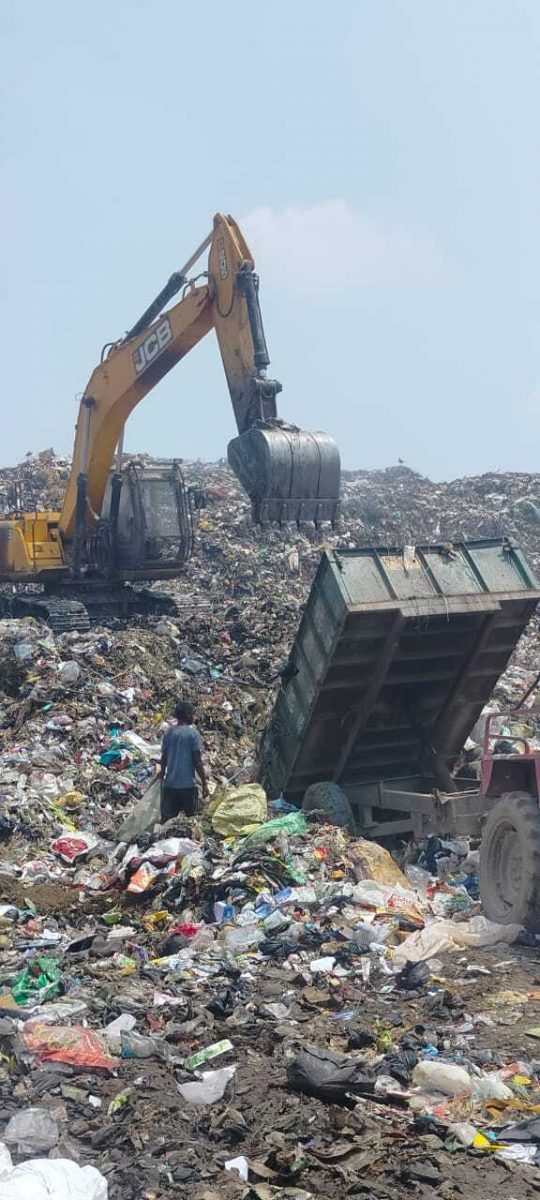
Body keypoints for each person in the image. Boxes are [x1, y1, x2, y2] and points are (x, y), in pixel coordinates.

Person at [159, 701, 208, 822]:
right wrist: (204, 783)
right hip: (188, 786)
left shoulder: (169, 733)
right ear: (187, 715)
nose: (194, 717)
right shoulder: (193, 734)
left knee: (167, 822)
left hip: (170, 785)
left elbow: (164, 757)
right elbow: (197, 761)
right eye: (192, 714)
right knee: (192, 821)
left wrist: (162, 773)